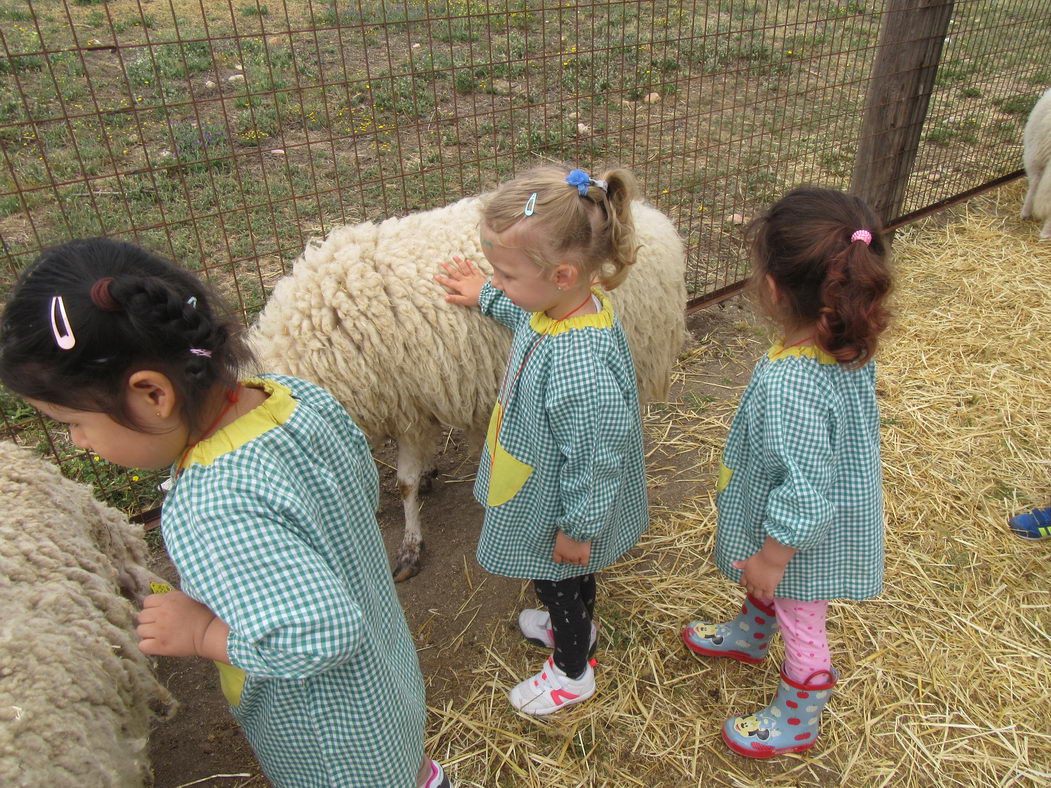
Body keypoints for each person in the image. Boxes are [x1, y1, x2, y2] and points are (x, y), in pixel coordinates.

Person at [0, 238, 450, 788]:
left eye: (72, 422)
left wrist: (205, 635)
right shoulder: (295, 398)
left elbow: (319, 635)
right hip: (388, 686)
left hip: (333, 742)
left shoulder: (210, 503)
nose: (76, 443)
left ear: (152, 394)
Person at [681, 187, 892, 758]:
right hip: (807, 521)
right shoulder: (845, 343)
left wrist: (774, 556)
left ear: (772, 288)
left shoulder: (793, 382)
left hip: (804, 544)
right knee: (773, 585)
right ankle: (752, 635)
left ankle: (798, 718)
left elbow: (804, 492)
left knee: (803, 619)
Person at [436, 166, 649, 716]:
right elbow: (527, 314)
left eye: (505, 274)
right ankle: (578, 626)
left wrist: (579, 530)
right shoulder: (563, 307)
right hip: (542, 475)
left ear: (561, 274)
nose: (499, 281)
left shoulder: (581, 368)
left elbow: (597, 458)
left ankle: (573, 671)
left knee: (556, 575)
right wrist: (489, 295)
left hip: (561, 500)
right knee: (567, 578)